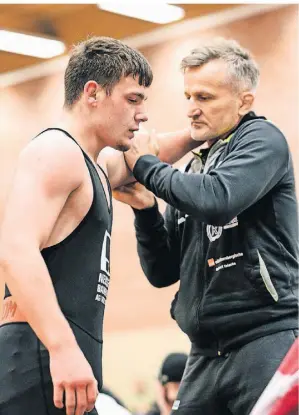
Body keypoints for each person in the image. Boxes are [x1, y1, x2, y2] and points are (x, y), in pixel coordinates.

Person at [0, 36, 196, 415]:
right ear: (92, 93)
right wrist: (61, 347)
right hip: (38, 361)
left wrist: (206, 131)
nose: (142, 114)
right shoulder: (55, 152)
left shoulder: (94, 165)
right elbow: (15, 251)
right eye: (133, 99)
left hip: (60, 365)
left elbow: (148, 153)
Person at [113, 38, 298, 415]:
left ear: (244, 101)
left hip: (265, 340)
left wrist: (144, 166)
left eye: (205, 97)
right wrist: (146, 211)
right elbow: (163, 271)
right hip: (204, 352)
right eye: (188, 97)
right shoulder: (195, 169)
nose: (192, 110)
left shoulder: (262, 141)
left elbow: (217, 200)